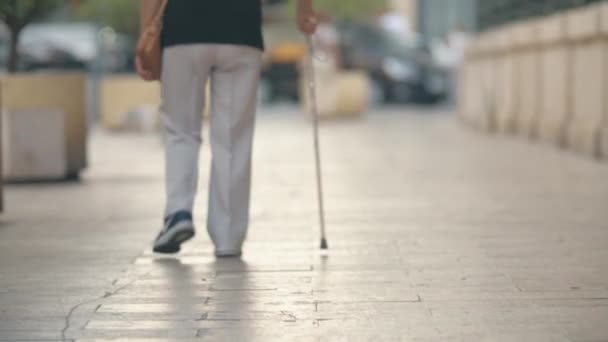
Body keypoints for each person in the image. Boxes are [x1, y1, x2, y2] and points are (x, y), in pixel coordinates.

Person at [136, 0, 318, 257]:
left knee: (181, 130)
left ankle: (178, 213)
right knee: (234, 138)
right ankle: (228, 236)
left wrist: (145, 34)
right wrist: (305, 10)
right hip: (241, 29)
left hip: (183, 28)